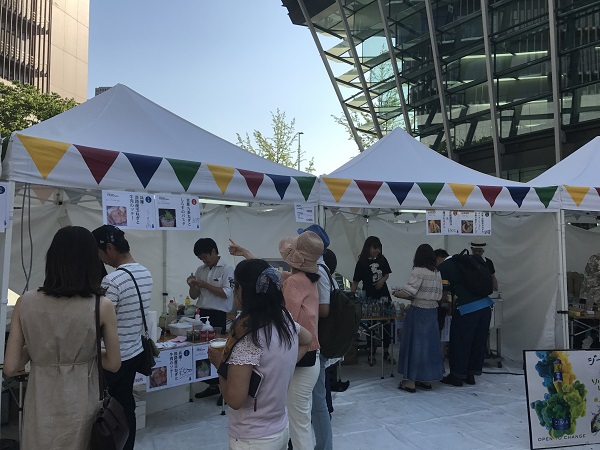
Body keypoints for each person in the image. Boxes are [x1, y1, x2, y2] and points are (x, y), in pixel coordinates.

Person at [5, 226, 121, 449]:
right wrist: (86, 350)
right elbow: (113, 364)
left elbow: (10, 367)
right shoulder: (102, 305)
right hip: (82, 405)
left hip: (40, 406)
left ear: (52, 259)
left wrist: (38, 348)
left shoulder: (25, 302)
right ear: (91, 261)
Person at [207, 259, 312, 450]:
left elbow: (235, 400)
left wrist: (219, 365)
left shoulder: (249, 335)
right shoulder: (284, 318)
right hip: (280, 429)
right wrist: (283, 366)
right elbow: (307, 339)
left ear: (243, 290)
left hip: (252, 438)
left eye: (234, 285)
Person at [92, 224, 153, 450]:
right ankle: (128, 444)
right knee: (126, 405)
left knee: (107, 410)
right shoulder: (145, 272)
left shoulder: (113, 281)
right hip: (135, 351)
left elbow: (101, 322)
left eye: (99, 253)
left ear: (109, 248)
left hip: (113, 356)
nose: (99, 259)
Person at [279, 231, 323, 450]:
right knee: (301, 418)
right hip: (312, 358)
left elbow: (285, 324)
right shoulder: (308, 280)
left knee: (298, 424)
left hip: (299, 357)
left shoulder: (294, 282)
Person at [298, 226, 334, 450]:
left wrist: (305, 305)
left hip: (315, 341)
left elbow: (324, 310)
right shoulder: (316, 268)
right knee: (314, 399)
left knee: (318, 401)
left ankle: (324, 446)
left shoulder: (319, 271)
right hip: (312, 340)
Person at [187, 238, 234, 403]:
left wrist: (204, 285)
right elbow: (194, 296)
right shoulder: (200, 270)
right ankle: (213, 384)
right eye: (200, 258)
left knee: (219, 352)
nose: (204, 260)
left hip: (219, 314)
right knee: (203, 352)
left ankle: (224, 389)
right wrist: (192, 285)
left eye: (205, 256)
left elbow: (227, 293)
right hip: (202, 313)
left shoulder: (227, 269)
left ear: (213, 251)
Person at [393, 244, 444, 392]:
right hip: (433, 311)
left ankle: (410, 382)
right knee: (429, 346)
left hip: (419, 311)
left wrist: (396, 293)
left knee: (414, 345)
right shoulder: (437, 273)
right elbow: (439, 295)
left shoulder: (418, 271)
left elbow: (409, 292)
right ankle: (426, 380)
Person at [438, 249, 493, 387]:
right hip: (486, 307)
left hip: (467, 309)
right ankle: (471, 375)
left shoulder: (444, 267)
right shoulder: (467, 262)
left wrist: (444, 305)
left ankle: (456, 376)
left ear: (438, 258)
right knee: (477, 342)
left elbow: (444, 292)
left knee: (460, 342)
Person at [351, 236, 393, 363]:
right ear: (368, 247)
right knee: (371, 325)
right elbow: (355, 281)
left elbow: (387, 274)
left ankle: (386, 352)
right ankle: (371, 351)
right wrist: (351, 297)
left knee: (387, 323)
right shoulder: (361, 263)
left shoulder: (382, 259)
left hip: (384, 296)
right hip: (369, 298)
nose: (377, 251)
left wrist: (382, 280)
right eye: (375, 248)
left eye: (378, 248)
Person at [434, 249, 451, 332]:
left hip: (439, 305)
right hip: (442, 305)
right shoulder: (447, 268)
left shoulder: (442, 269)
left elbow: (445, 291)